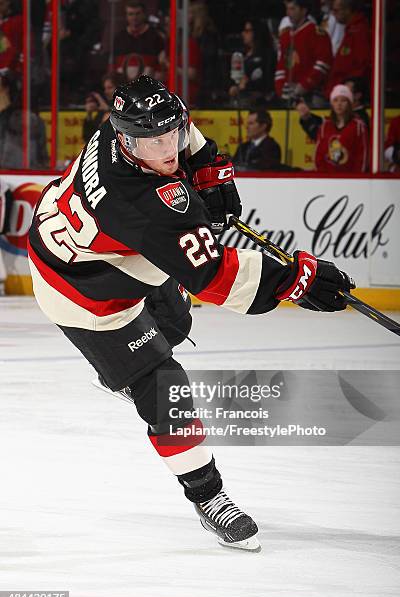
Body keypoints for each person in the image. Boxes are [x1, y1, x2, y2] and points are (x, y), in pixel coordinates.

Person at [28, 76, 352, 552]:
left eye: (172, 136)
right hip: (86, 295)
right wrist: (295, 278)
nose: (168, 150)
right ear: (126, 138)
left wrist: (208, 166)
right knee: (167, 391)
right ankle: (209, 497)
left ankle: (130, 366)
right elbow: (215, 277)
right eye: (154, 143)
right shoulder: (141, 206)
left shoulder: (121, 129)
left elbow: (178, 134)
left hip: (99, 247)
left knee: (176, 324)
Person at [274, 0, 332, 107]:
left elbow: (323, 63)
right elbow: (281, 65)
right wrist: (281, 88)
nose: (288, 13)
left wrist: (304, 85)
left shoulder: (316, 32)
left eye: (292, 9)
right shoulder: (285, 36)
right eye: (287, 9)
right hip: (289, 95)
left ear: (304, 11)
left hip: (313, 94)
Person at [314, 83, 368, 172]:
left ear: (349, 103)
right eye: (335, 100)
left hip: (350, 181)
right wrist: (323, 178)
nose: (339, 104)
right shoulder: (325, 126)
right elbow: (318, 156)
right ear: (332, 103)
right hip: (327, 181)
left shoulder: (358, 126)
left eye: (343, 100)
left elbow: (362, 157)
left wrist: (357, 180)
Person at [296, 76, 369, 141]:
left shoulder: (360, 121)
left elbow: (327, 137)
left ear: (357, 96)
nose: (339, 103)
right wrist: (307, 116)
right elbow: (325, 124)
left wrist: (308, 119)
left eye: (346, 93)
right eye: (336, 99)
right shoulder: (342, 116)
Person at [325, 0, 370, 96]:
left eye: (336, 10)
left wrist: (353, 82)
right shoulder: (350, 29)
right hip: (339, 90)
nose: (333, 14)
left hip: (347, 92)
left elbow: (363, 62)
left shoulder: (359, 31)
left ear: (348, 10)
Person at [113, 1, 164, 78]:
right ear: (126, 16)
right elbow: (114, 66)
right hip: (125, 86)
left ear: (144, 14)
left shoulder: (155, 37)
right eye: (131, 14)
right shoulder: (119, 38)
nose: (134, 17)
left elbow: (162, 66)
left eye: (137, 13)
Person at [228, 19, 273, 106]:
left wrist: (248, 84)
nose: (243, 34)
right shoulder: (242, 55)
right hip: (241, 101)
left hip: (261, 103)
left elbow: (267, 82)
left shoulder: (267, 55)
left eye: (247, 31)